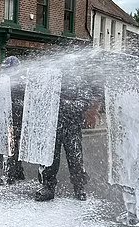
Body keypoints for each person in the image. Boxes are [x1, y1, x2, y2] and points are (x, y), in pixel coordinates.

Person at [35, 67, 99, 202]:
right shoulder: (51, 83)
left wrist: (62, 104)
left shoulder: (79, 83)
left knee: (75, 158)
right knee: (49, 159)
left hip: (72, 127)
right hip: (52, 127)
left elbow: (83, 104)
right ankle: (47, 186)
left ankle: (79, 187)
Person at [0, 56, 26, 185]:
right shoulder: (19, 81)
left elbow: (21, 102)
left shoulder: (18, 83)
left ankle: (8, 175)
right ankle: (18, 171)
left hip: (14, 119)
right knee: (16, 147)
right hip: (17, 120)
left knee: (9, 148)